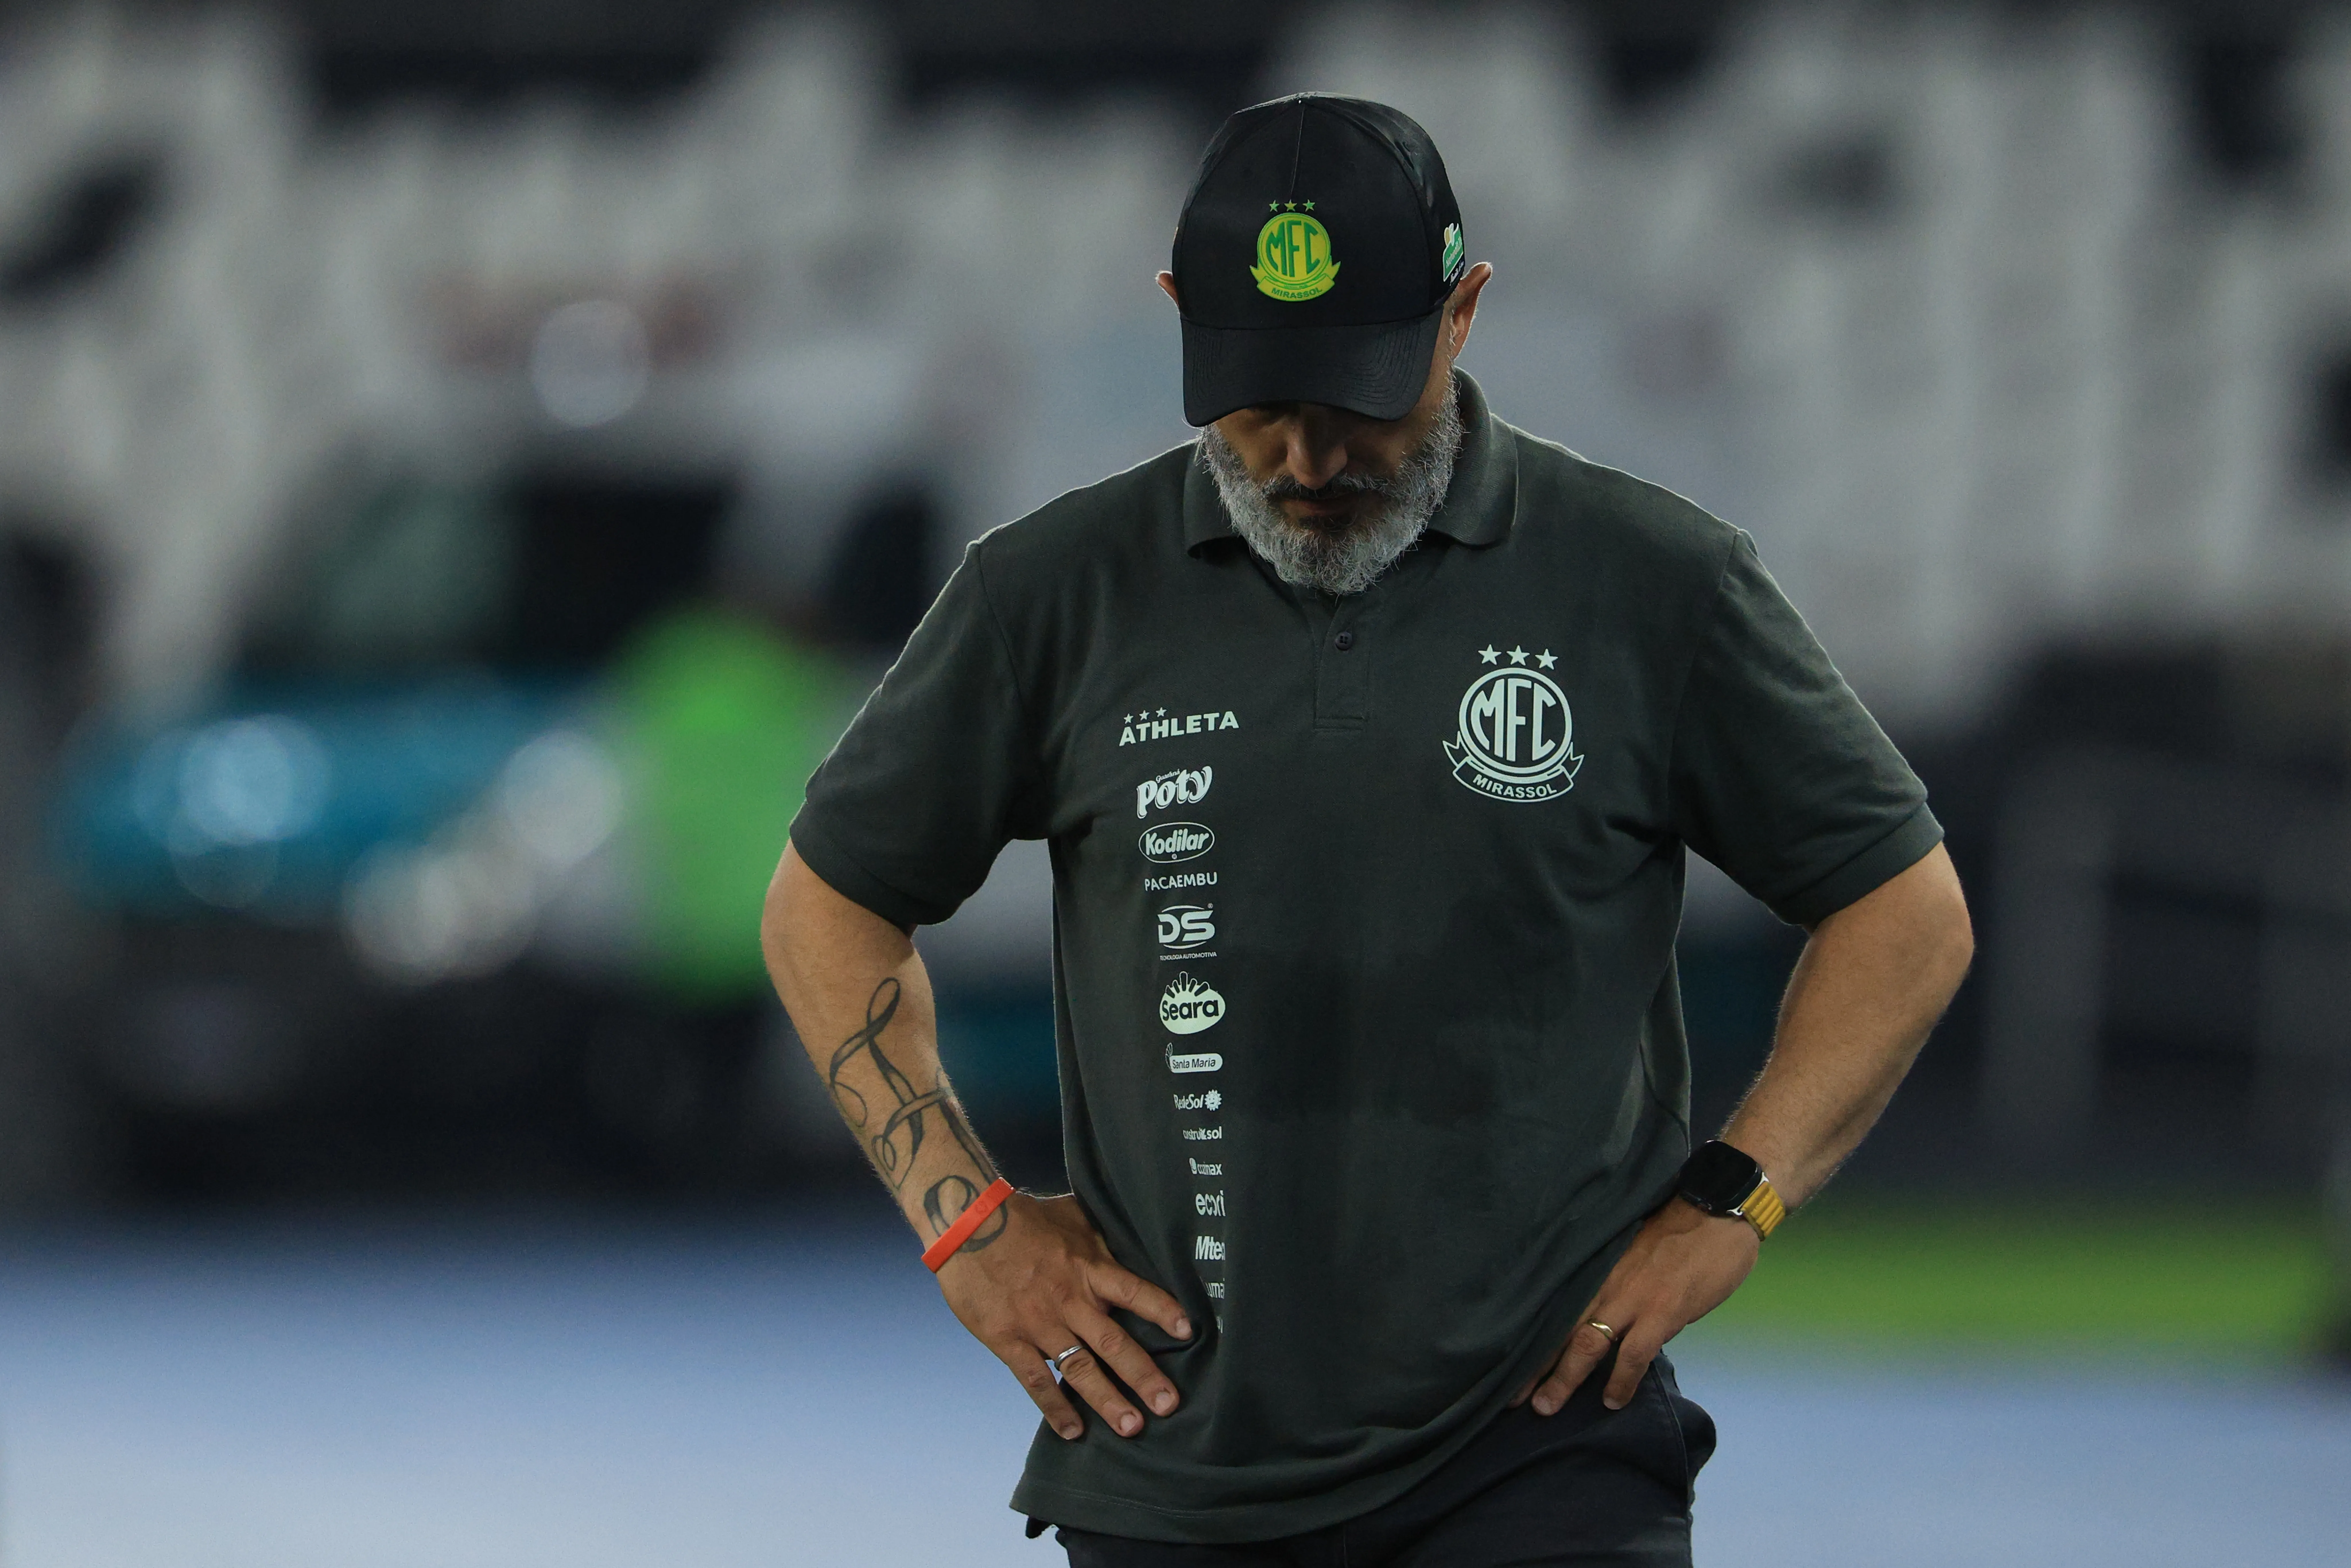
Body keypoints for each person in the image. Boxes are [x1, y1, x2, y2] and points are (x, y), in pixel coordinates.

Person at [761, 93, 1973, 1567]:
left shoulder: (1654, 584)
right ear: (1176, 319)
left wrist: (1738, 1196)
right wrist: (966, 1222)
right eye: (1258, 402)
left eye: (1357, 397)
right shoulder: (1048, 595)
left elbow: (1903, 908)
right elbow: (824, 903)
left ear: (1461, 313)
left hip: (1549, 1460)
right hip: (1167, 1470)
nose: (1304, 455)